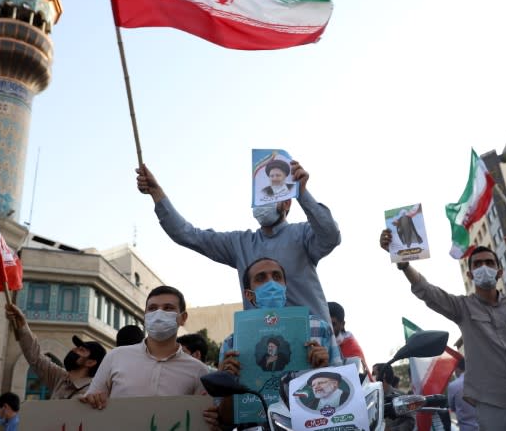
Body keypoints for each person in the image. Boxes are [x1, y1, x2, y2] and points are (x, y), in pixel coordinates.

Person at [136, 161, 340, 330]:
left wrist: (303, 193)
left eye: (271, 196)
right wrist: (157, 194)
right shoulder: (240, 243)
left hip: (313, 342)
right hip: (263, 345)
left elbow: (331, 235)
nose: (263, 204)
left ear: (287, 203)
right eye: (259, 198)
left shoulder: (303, 234)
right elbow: (187, 234)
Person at [380, 231, 506, 431]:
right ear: (470, 274)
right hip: (493, 405)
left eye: (490, 263)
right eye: (477, 264)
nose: (484, 267)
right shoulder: (462, 307)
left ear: (500, 272)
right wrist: (404, 264)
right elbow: (427, 291)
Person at [213, 257, 340, 428]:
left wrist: (322, 370)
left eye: (277, 276)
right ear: (249, 295)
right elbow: (225, 420)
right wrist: (227, 381)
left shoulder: (319, 328)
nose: (271, 283)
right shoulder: (232, 343)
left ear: (285, 287)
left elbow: (342, 399)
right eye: (261, 278)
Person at [80, 285, 209, 409]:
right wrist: (92, 399)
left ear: (183, 318)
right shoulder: (116, 357)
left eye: (168, 308)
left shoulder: (198, 371)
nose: (158, 313)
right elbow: (91, 401)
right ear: (145, 316)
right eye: (152, 308)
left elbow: (202, 416)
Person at [4, 303, 106, 399]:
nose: (74, 349)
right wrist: (21, 324)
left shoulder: (93, 392)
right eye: (76, 347)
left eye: (81, 350)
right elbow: (35, 357)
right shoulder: (60, 378)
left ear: (90, 362)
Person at [328, 301, 371, 378]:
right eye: (325, 323)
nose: (328, 329)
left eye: (333, 324)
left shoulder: (352, 350)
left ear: (342, 324)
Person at [448, 359, 480, 431]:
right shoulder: (481, 380)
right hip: (487, 426)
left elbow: (452, 407)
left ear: (457, 369)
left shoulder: (453, 386)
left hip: (467, 428)